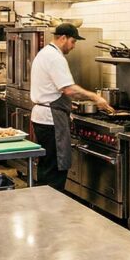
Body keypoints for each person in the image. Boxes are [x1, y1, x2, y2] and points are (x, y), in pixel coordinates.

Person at [30, 24, 113, 190]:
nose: (73, 46)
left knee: (47, 165)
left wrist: (69, 104)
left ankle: (43, 206)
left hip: (42, 116)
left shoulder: (45, 53)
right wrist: (95, 97)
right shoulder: (55, 57)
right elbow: (68, 89)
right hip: (51, 119)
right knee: (55, 168)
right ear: (63, 38)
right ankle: (52, 209)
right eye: (73, 41)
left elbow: (54, 89)